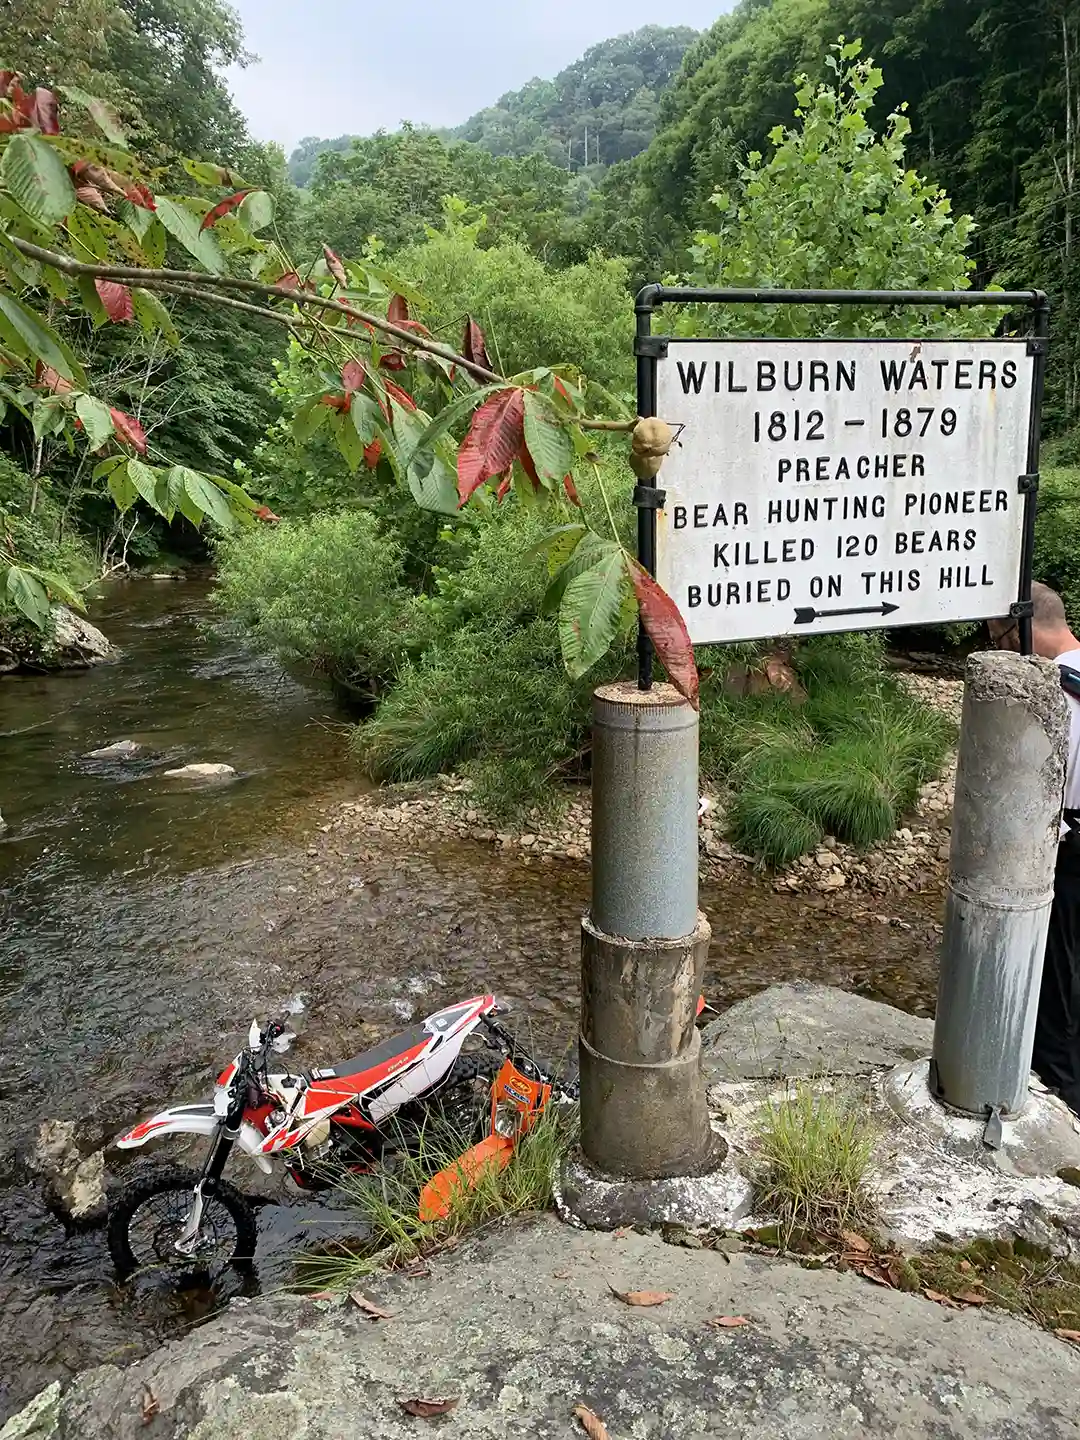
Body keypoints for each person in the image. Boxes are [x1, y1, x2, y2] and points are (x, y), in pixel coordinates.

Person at [989, 582, 1080, 1114]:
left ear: (1017, 629)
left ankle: (1059, 1118)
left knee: (1055, 998)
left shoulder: (1055, 693)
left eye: (997, 639)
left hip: (1067, 862)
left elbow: (1031, 793)